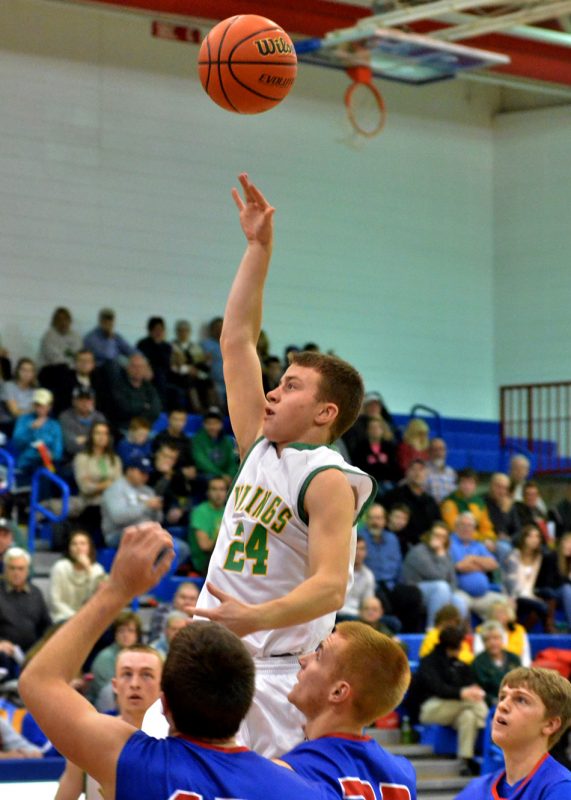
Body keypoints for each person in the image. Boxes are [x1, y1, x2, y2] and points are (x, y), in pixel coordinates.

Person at [168, 174, 376, 758]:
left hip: (278, 674)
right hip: (209, 654)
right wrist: (257, 249)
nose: (273, 393)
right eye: (277, 382)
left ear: (325, 411)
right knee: (142, 777)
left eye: (289, 386)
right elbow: (236, 339)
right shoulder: (256, 445)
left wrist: (252, 618)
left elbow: (331, 586)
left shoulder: (328, 478)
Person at [19, 524, 331, 800]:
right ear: (246, 701)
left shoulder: (133, 764)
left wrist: (117, 590)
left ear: (164, 705)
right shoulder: (296, 787)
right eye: (127, 674)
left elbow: (38, 682)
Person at [278, 622, 416, 799]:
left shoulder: (296, 771)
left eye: (318, 655)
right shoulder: (403, 773)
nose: (303, 659)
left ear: (338, 692)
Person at [55, 644, 163, 800]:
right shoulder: (89, 739)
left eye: (146, 675)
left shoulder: (175, 742)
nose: (135, 684)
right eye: (126, 674)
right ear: (115, 685)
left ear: (161, 686)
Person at [456, 667, 571, 800]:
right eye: (503, 697)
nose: (502, 705)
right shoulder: (477, 788)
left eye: (521, 700)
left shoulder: (562, 789)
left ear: (550, 724)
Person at [412, 625, 488, 776]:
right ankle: (488, 725)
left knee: (469, 716)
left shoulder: (460, 665)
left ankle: (464, 761)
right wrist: (463, 693)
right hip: (429, 709)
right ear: (453, 645)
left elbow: (469, 685)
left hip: (455, 710)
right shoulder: (428, 662)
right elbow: (438, 688)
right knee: (474, 704)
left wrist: (473, 690)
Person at [358, 503, 424, 632]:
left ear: (385, 520)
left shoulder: (392, 539)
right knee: (383, 601)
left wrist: (400, 584)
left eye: (379, 518)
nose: (375, 522)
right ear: (366, 520)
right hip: (372, 586)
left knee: (413, 594)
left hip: (391, 585)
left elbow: (399, 566)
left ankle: (409, 636)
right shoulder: (359, 538)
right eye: (372, 518)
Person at [401, 521, 469, 627]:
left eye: (443, 537)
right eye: (436, 535)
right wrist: (441, 555)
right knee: (441, 587)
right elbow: (437, 575)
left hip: (439, 592)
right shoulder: (419, 551)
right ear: (429, 535)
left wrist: (449, 595)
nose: (439, 539)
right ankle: (432, 629)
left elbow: (453, 580)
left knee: (460, 600)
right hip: (414, 591)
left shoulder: (445, 554)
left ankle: (454, 634)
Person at [0, 547, 52, 680]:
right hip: (5, 652)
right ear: (5, 569)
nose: (16, 573)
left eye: (21, 568)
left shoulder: (36, 593)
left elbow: (47, 626)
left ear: (28, 571)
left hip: (32, 651)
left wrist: (43, 647)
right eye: (12, 568)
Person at [450, 512, 509, 619]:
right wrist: (482, 566)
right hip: (460, 592)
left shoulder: (478, 545)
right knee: (459, 604)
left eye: (470, 526)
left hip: (483, 595)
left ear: (474, 529)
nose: (466, 528)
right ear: (456, 527)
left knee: (506, 604)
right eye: (463, 525)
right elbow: (460, 567)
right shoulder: (450, 543)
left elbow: (493, 564)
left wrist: (473, 558)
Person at [502, 523, 559, 632]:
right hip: (514, 594)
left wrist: (532, 595)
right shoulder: (514, 555)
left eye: (537, 536)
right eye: (531, 536)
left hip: (529, 592)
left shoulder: (538, 557)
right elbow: (511, 584)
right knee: (542, 607)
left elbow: (533, 582)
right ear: (524, 538)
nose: (535, 539)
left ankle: (547, 626)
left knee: (550, 594)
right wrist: (529, 597)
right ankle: (538, 630)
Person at [74, 421, 123, 545]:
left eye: (105, 433)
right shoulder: (82, 458)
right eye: (98, 433)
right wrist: (105, 485)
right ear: (91, 436)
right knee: (96, 513)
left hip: (112, 505)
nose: (102, 437)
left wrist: (96, 484)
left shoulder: (115, 459)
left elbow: (119, 486)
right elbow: (85, 487)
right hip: (90, 504)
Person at [101, 456, 161, 546]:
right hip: (119, 533)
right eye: (142, 472)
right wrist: (145, 505)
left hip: (146, 532)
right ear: (129, 471)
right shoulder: (115, 489)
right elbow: (118, 518)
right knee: (157, 546)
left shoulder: (148, 491)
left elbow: (158, 520)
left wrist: (156, 510)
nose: (145, 476)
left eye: (147, 473)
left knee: (181, 548)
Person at [88, 610, 143, 709]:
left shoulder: (142, 655)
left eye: (130, 630)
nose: (125, 635)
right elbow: (109, 694)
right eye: (121, 630)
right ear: (115, 634)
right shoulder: (105, 658)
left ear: (137, 635)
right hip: (105, 708)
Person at [49, 530, 106, 624]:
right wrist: (74, 618)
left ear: (90, 548)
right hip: (63, 618)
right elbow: (55, 601)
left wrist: (88, 569)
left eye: (83, 544)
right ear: (69, 549)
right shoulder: (60, 567)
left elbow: (99, 597)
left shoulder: (97, 570)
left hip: (89, 619)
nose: (78, 547)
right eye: (74, 544)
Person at [382, 460, 441, 552]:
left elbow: (437, 524)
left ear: (426, 474)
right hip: (398, 545)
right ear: (407, 473)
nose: (417, 473)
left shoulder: (431, 501)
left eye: (421, 470)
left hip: (426, 547)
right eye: (413, 469)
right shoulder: (392, 496)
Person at [11, 387, 63, 480]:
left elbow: (58, 451)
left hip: (49, 462)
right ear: (33, 405)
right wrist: (30, 429)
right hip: (29, 462)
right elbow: (17, 443)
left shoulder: (54, 425)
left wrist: (52, 455)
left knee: (58, 471)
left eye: (44, 405)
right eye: (37, 405)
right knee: (42, 472)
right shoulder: (24, 420)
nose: (40, 408)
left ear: (49, 406)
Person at [108, 353, 162, 434]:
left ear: (145, 369)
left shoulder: (149, 387)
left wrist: (139, 409)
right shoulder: (118, 386)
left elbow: (156, 410)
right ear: (127, 368)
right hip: (125, 429)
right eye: (134, 366)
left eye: (141, 367)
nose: (138, 370)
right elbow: (124, 409)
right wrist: (145, 406)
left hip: (146, 429)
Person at [471, 620, 521, 707]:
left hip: (515, 702)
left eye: (496, 638)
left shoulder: (514, 658)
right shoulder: (478, 662)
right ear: (483, 643)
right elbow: (479, 690)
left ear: (502, 639)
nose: (492, 642)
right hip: (489, 704)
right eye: (487, 639)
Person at [473, 598, 531, 667]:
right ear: (491, 615)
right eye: (496, 613)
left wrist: (525, 669)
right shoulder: (481, 630)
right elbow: (478, 652)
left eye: (503, 612)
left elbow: (525, 654)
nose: (500, 616)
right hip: (488, 667)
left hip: (515, 666)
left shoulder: (518, 630)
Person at [441, 468, 494, 540]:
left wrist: (489, 538)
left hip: (478, 540)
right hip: (456, 540)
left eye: (471, 483)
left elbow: (485, 526)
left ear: (476, 485)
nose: (467, 486)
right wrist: (480, 538)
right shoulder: (450, 502)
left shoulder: (479, 502)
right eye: (464, 482)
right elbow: (453, 527)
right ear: (458, 483)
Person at [188, 476, 226, 575]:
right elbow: (205, 546)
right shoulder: (200, 511)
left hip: (225, 559)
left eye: (222, 489)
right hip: (206, 562)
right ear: (208, 492)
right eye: (214, 489)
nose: (218, 493)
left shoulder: (229, 511)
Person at [191, 406, 238, 484]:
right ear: (204, 424)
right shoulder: (197, 440)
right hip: (207, 478)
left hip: (227, 478)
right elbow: (201, 462)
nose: (212, 427)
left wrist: (230, 475)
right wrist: (221, 475)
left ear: (221, 424)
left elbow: (232, 461)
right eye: (209, 423)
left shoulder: (227, 441)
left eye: (215, 423)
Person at [59, 387, 106, 463]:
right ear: (74, 401)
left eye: (88, 399)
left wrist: (85, 439)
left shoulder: (99, 417)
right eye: (81, 399)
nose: (84, 403)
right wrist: (93, 439)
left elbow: (106, 442)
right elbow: (70, 446)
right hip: (73, 460)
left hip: (98, 458)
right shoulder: (65, 417)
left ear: (93, 401)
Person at [337, 537, 376, 621]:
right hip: (339, 613)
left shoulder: (368, 575)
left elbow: (368, 602)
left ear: (366, 552)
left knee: (393, 622)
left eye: (362, 549)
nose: (358, 553)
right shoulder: (338, 570)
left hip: (359, 614)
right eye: (355, 548)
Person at [425, 437, 457, 504]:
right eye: (435, 450)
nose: (439, 453)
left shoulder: (451, 472)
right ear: (429, 452)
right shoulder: (423, 470)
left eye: (442, 449)